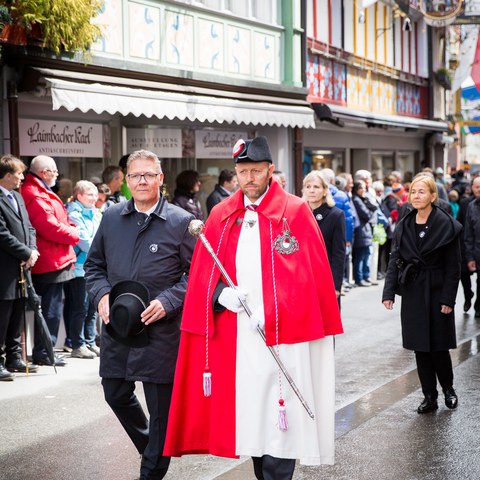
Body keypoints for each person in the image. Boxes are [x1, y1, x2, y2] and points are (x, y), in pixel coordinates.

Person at [164, 136, 343, 480]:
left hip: (284, 335)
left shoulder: (295, 210)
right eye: (243, 171)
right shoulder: (220, 213)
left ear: (270, 171)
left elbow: (311, 278)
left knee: (281, 423)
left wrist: (277, 310)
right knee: (253, 423)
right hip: (238, 339)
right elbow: (202, 274)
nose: (249, 178)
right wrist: (219, 295)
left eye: (256, 171)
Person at [84, 149, 196, 480]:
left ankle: (150, 471)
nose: (142, 180)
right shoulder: (111, 216)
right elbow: (94, 266)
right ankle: (153, 448)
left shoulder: (181, 222)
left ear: (160, 179)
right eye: (135, 175)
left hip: (162, 331)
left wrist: (170, 301)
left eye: (149, 174)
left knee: (161, 413)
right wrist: (101, 294)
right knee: (114, 392)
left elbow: (197, 275)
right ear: (127, 180)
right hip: (118, 326)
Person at [382, 175, 461, 414]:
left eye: (421, 192)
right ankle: (429, 396)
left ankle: (448, 389)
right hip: (414, 290)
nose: (416, 195)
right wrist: (389, 292)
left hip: (437, 289)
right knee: (420, 347)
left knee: (438, 346)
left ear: (433, 196)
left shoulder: (447, 225)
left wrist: (448, 299)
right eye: (413, 192)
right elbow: (395, 259)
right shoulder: (405, 224)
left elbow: (453, 267)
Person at [22, 155, 79, 367]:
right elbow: (49, 227)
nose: (57, 175)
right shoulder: (35, 194)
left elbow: (58, 220)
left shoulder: (39, 191)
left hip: (55, 257)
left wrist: (71, 229)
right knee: (50, 309)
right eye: (55, 172)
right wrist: (74, 234)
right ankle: (45, 351)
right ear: (45, 172)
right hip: (50, 259)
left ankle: (46, 349)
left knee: (51, 308)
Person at [0, 154, 40, 380]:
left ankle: (14, 356)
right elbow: (2, 233)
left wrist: (31, 250)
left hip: (22, 268)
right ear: (6, 176)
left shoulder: (17, 196)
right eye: (18, 173)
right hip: (5, 268)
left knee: (17, 313)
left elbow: (29, 227)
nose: (22, 177)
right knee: (3, 315)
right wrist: (25, 252)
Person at [64, 181, 101, 359]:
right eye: (89, 195)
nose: (94, 198)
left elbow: (102, 237)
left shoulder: (96, 213)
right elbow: (85, 241)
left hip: (94, 267)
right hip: (79, 268)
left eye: (95, 194)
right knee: (80, 308)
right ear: (79, 196)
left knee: (93, 308)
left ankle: (90, 341)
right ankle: (78, 344)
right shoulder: (74, 213)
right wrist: (101, 250)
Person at [303, 170, 346, 299]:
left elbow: (339, 254)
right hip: (303, 279)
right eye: (308, 187)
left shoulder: (335, 215)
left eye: (316, 187)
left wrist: (336, 285)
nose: (312, 190)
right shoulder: (298, 213)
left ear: (325, 190)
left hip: (325, 277)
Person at [351, 180, 376, 286]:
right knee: (360, 256)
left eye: (364, 188)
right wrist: (370, 212)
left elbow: (374, 207)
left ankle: (365, 276)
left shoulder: (362, 199)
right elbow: (366, 214)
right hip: (361, 231)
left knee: (366, 254)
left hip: (365, 230)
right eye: (361, 188)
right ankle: (359, 278)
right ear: (356, 190)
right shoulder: (356, 199)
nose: (363, 190)